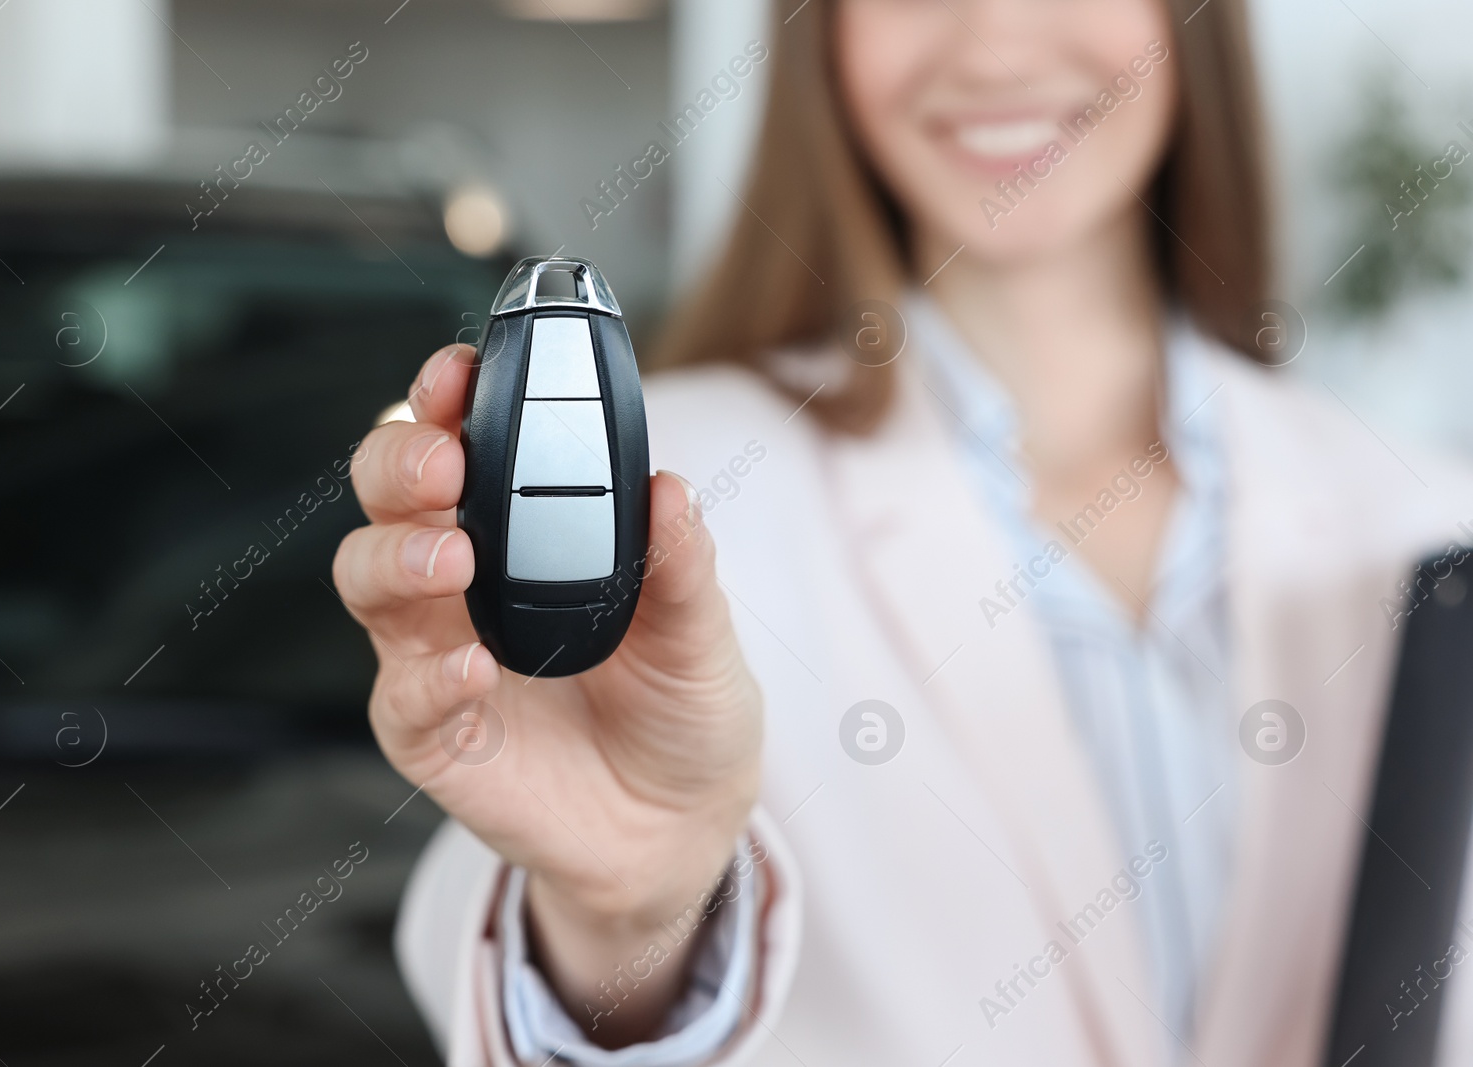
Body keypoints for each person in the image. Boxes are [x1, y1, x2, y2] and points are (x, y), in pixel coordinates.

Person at [333, 0, 1473, 1063]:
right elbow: (479, 958)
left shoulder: (1425, 515)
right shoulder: (663, 487)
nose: (990, 47)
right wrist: (625, 914)